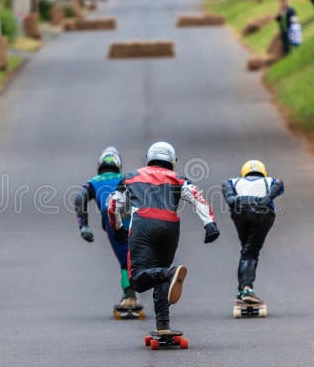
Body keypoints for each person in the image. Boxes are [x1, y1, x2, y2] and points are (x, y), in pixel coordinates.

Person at [107, 141, 220, 333]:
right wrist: (210, 225)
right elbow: (197, 199)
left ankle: (169, 273)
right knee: (160, 272)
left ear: (149, 158)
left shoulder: (131, 177)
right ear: (172, 160)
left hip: (143, 225)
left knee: (138, 280)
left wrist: (117, 228)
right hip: (170, 227)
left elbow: (113, 204)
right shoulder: (179, 178)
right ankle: (163, 325)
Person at [73, 147, 135, 308]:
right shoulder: (128, 178)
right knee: (138, 257)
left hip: (113, 224)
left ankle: (129, 296)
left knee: (124, 261)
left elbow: (79, 198)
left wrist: (83, 226)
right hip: (138, 221)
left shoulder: (93, 182)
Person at [222, 160, 284, 306]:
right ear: (263, 172)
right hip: (262, 214)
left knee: (246, 250)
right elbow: (279, 185)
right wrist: (265, 200)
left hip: (240, 213)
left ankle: (241, 290)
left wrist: (239, 200)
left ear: (244, 172)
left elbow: (229, 197)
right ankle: (246, 289)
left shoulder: (233, 181)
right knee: (251, 251)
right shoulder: (270, 180)